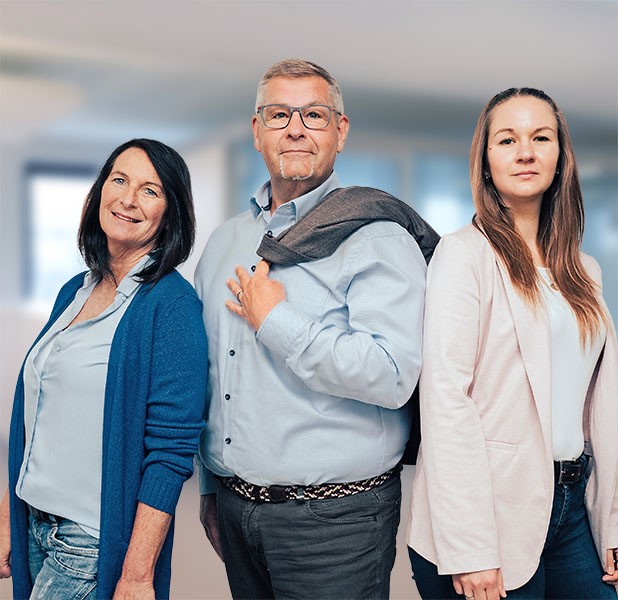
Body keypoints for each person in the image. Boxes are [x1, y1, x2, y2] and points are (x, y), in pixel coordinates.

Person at [194, 58, 428, 599]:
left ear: (339, 132)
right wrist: (213, 484)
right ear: (257, 131)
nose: (295, 128)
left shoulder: (376, 238)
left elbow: (393, 376)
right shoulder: (225, 243)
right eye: (279, 114)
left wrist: (275, 320)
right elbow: (214, 376)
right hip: (236, 509)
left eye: (314, 115)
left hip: (336, 522)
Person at [406, 87, 618, 599]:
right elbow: (446, 403)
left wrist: (612, 521)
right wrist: (471, 547)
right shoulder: (463, 256)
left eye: (540, 137)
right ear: (485, 162)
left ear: (561, 158)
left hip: (572, 504)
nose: (525, 151)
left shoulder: (584, 271)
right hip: (489, 515)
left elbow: (600, 407)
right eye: (507, 139)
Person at [0, 138, 208, 599]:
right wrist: (8, 513)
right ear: (99, 192)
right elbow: (43, 416)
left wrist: (136, 574)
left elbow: (170, 455)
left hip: (88, 539)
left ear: (170, 214)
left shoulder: (172, 307)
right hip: (35, 520)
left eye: (150, 190)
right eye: (119, 180)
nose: (128, 198)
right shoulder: (75, 289)